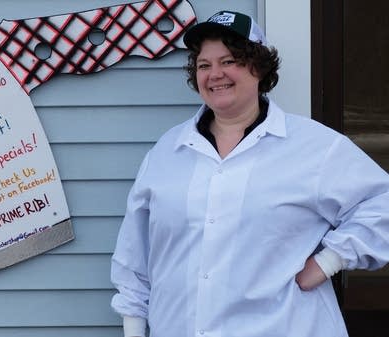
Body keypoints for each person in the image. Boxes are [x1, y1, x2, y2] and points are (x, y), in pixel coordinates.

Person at [110, 10, 389, 337]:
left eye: (229, 61)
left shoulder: (314, 147)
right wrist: (133, 328)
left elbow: (381, 203)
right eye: (204, 65)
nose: (215, 74)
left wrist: (329, 261)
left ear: (258, 66)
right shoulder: (168, 151)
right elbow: (135, 254)